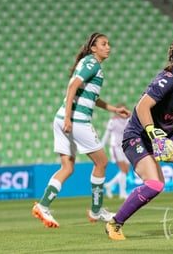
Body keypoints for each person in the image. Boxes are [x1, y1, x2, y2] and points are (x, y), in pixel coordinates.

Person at [105, 35, 173, 240]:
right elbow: (142, 106)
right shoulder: (167, 78)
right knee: (155, 185)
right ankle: (115, 223)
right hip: (137, 136)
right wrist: (153, 133)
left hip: (162, 134)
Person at [32, 32, 131, 227]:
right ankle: (96, 211)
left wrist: (113, 109)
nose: (108, 47)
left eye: (109, 43)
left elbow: (89, 95)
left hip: (61, 119)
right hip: (75, 121)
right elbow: (72, 87)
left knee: (67, 167)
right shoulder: (92, 63)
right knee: (101, 162)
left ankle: (42, 206)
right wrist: (69, 117)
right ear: (93, 48)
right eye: (103, 44)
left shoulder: (89, 64)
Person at [101, 103, 131, 200]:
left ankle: (109, 185)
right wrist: (101, 146)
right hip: (115, 147)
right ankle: (122, 193)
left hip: (125, 147)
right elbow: (107, 134)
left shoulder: (128, 120)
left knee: (126, 171)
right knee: (123, 170)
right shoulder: (113, 121)